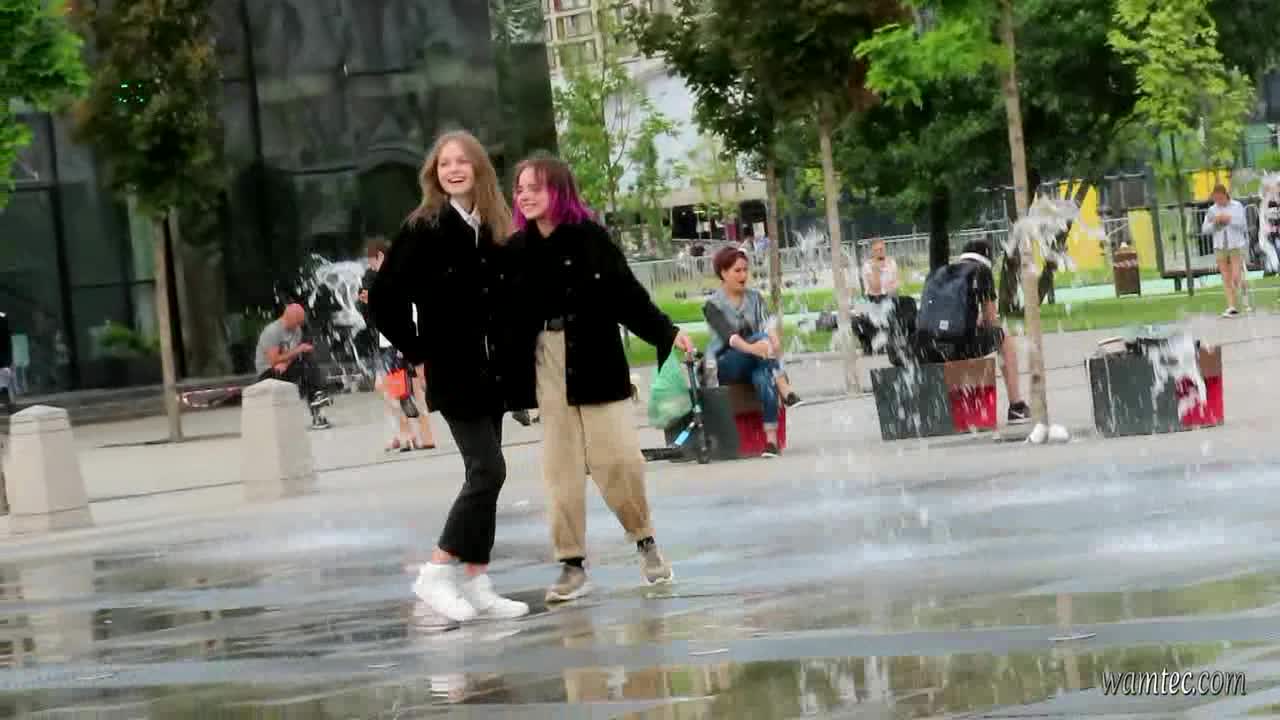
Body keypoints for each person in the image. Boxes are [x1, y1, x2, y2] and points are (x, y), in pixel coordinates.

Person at [505, 152, 695, 603]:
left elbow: (626, 296)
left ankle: (645, 540)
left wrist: (667, 332)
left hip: (596, 358)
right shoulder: (515, 251)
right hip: (547, 362)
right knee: (561, 470)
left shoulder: (590, 238)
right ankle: (571, 564)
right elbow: (506, 321)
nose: (526, 196)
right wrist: (510, 386)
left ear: (559, 191)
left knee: (619, 461)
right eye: (520, 189)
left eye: (536, 187)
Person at [369, 130, 527, 623]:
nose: (453, 170)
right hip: (453, 370)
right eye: (444, 164)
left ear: (479, 168)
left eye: (462, 161)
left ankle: (477, 580)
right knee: (488, 470)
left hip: (494, 372)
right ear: (434, 175)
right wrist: (418, 351)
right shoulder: (424, 227)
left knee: (488, 474)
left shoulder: (494, 224)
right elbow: (383, 300)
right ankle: (436, 570)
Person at [702, 246, 803, 458]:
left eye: (745, 270)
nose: (743, 275)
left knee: (764, 376)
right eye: (737, 271)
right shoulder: (712, 305)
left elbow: (768, 325)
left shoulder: (755, 298)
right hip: (726, 363)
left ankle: (771, 443)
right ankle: (785, 388)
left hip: (758, 360)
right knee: (760, 339)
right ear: (723, 273)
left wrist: (774, 341)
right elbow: (729, 336)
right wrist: (755, 346)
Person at [914, 240, 1030, 424]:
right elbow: (991, 320)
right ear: (987, 258)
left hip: (925, 348)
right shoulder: (981, 271)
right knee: (1004, 338)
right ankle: (1016, 407)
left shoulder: (939, 272)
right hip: (957, 348)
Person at [359, 238, 434, 452]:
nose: (371, 266)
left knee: (399, 390)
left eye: (372, 261)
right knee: (408, 390)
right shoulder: (397, 274)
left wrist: (372, 301)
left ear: (380, 256)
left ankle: (409, 436)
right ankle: (419, 436)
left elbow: (395, 308)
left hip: (395, 341)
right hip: (400, 340)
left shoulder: (391, 277)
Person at [254, 303, 332, 429]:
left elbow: (292, 355)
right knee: (302, 352)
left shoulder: (297, 330)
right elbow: (273, 360)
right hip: (267, 372)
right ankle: (316, 393)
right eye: (297, 322)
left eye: (300, 323)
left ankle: (317, 399)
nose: (298, 326)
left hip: (284, 367)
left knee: (307, 362)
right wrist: (299, 350)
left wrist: (287, 363)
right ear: (288, 317)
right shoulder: (272, 331)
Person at [1201, 183, 1250, 317]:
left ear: (1225, 195)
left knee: (1236, 276)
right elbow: (1204, 229)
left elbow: (1243, 225)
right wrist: (1215, 222)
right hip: (1220, 246)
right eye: (1215, 199)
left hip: (1236, 245)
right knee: (1226, 277)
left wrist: (1229, 219)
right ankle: (1231, 306)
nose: (1218, 201)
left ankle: (1244, 297)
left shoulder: (1236, 206)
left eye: (1220, 198)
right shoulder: (1212, 210)